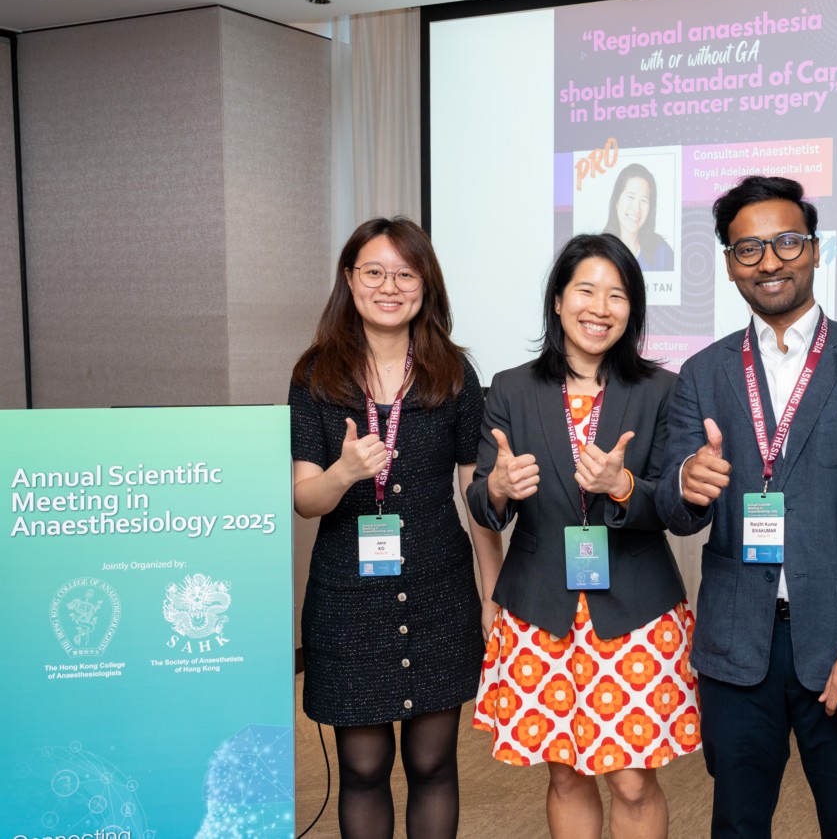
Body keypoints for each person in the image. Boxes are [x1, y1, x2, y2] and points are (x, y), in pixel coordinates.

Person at [655, 175, 837, 838]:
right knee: (737, 824)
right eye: (748, 249)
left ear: (814, 248)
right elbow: (676, 509)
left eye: (786, 242)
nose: (769, 261)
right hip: (737, 649)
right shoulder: (703, 372)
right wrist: (686, 482)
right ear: (729, 265)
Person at [468, 233, 699, 838]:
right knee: (567, 775)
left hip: (637, 611)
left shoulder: (661, 390)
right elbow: (482, 505)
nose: (600, 308)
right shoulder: (511, 388)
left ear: (633, 309)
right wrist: (498, 489)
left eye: (617, 295)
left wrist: (624, 486)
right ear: (558, 300)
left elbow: (676, 506)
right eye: (586, 291)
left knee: (632, 780)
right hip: (539, 609)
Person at [289, 217, 503, 838]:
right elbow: (305, 499)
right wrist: (344, 473)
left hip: (440, 591)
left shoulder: (454, 373)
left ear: (425, 284)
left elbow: (476, 495)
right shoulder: (315, 376)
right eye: (374, 272)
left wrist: (492, 593)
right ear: (349, 279)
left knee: (433, 764)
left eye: (405, 274)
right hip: (348, 599)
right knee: (363, 769)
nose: (389, 286)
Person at [603, 163, 675, 273]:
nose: (636, 208)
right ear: (617, 201)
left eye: (644, 200)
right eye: (631, 197)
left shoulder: (662, 252)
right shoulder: (599, 251)